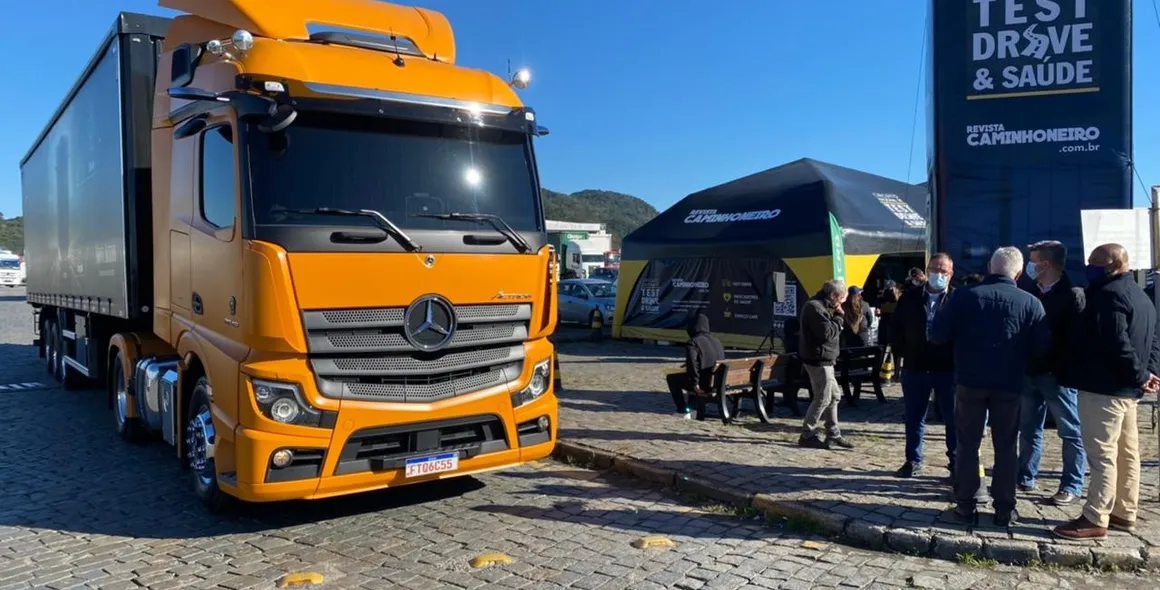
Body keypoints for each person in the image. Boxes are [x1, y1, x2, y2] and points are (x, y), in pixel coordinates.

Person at [929, 246, 1050, 526]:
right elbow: (1042, 348)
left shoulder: (962, 298)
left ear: (989, 268)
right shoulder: (1031, 303)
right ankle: (1005, 509)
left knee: (968, 444)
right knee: (1006, 446)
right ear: (1019, 273)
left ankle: (965, 505)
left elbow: (937, 336)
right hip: (1009, 383)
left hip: (970, 381)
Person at [1053, 244, 1160, 540]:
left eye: (1094, 262)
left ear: (1112, 264)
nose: (1088, 266)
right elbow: (1154, 340)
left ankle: (1094, 516)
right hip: (1127, 390)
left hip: (1104, 388)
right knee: (1128, 453)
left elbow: (1116, 343)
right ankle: (1125, 512)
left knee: (1102, 455)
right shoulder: (1140, 295)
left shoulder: (1108, 296)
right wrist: (1150, 374)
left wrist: (1140, 376)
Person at [1017, 241, 1087, 505]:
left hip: (1058, 377)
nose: (1030, 265)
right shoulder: (1029, 290)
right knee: (1029, 428)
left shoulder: (1072, 294)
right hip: (1029, 372)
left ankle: (1071, 484)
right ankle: (1025, 476)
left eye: (1033, 260)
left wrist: (1062, 370)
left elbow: (1076, 340)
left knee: (1070, 431)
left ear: (1046, 264)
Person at [891, 253, 957, 479]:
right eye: (934, 270)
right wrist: (904, 352)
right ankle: (913, 460)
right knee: (914, 417)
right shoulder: (910, 298)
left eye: (943, 271)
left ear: (951, 274)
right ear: (927, 270)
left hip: (947, 369)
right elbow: (895, 329)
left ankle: (956, 463)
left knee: (953, 419)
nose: (938, 275)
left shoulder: (958, 299)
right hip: (915, 367)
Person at [798, 279, 855, 450]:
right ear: (833, 295)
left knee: (834, 396)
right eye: (841, 299)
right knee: (823, 397)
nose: (842, 303)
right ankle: (807, 434)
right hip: (818, 360)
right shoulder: (815, 307)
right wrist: (839, 317)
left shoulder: (823, 306)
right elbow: (827, 334)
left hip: (826, 359)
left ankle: (833, 432)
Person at [672, 313, 725, 419]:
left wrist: (695, 383)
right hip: (719, 381)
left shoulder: (693, 342)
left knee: (673, 379)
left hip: (705, 383)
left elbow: (692, 363)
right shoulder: (716, 341)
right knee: (692, 375)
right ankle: (693, 407)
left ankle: (683, 410)